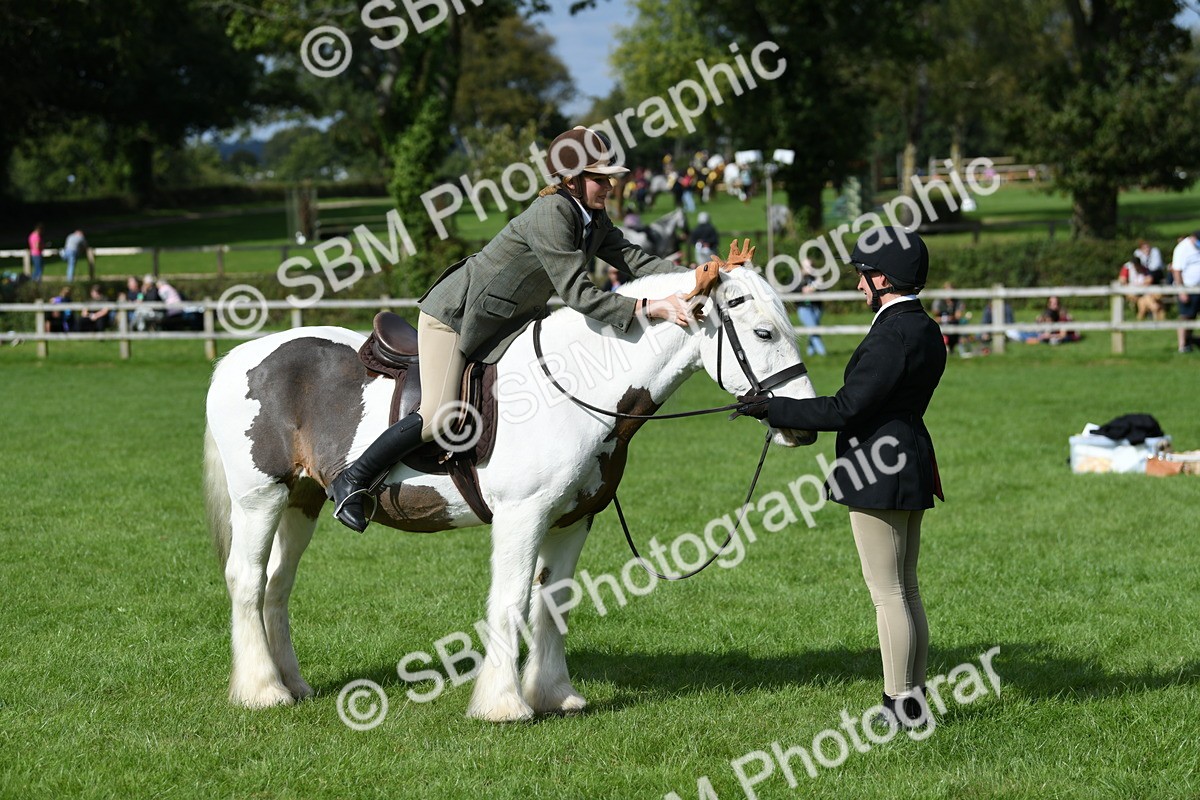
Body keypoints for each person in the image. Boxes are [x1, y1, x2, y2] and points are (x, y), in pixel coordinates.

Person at [327, 126, 702, 533]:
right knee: (437, 415)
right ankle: (352, 479)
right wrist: (648, 307)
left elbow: (634, 259)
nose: (610, 186)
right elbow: (578, 293)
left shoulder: (591, 215)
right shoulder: (552, 213)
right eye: (600, 178)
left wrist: (699, 276)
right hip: (455, 317)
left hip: (505, 324)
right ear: (572, 181)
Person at [733, 227, 946, 728]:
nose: (858, 285)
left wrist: (772, 408)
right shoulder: (925, 327)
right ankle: (913, 698)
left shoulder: (891, 335)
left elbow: (845, 408)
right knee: (905, 589)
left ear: (882, 279)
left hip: (879, 467)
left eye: (863, 276)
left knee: (888, 593)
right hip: (909, 458)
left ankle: (900, 704)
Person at [1171, 230, 1200, 353]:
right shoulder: (1182, 248)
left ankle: (1190, 342)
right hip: (1187, 288)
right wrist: (1182, 291)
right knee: (1186, 316)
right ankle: (1183, 345)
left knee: (1193, 317)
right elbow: (1177, 271)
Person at [796, 258, 827, 357]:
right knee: (813, 329)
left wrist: (815, 288)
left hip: (816, 307)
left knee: (812, 329)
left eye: (809, 266)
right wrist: (803, 289)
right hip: (803, 307)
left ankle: (811, 352)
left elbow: (824, 290)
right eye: (805, 266)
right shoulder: (797, 278)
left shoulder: (816, 278)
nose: (807, 268)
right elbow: (792, 290)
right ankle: (822, 353)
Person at [930, 282, 966, 354]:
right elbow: (935, 314)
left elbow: (958, 316)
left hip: (953, 323)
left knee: (961, 324)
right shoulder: (939, 301)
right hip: (941, 324)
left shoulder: (957, 301)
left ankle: (955, 349)